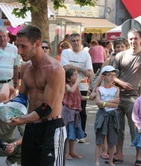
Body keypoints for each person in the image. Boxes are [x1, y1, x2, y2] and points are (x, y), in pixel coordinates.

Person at [5, 25, 66, 166]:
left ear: (37, 44)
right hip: (32, 127)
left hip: (51, 128)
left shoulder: (54, 69)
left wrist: (22, 120)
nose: (19, 51)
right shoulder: (26, 67)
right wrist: (7, 106)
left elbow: (46, 107)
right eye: (17, 46)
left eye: (23, 47)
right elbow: (22, 98)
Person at [107, 29, 141, 165]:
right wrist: (121, 83)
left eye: (135, 39)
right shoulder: (120, 56)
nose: (133, 41)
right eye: (131, 39)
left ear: (140, 40)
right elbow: (111, 75)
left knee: (136, 128)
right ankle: (119, 154)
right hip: (118, 96)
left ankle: (138, 157)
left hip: (135, 99)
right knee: (118, 128)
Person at [90, 37, 129, 159]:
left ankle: (117, 152)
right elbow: (100, 77)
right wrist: (93, 91)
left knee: (116, 127)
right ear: (113, 48)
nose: (120, 49)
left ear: (126, 47)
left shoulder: (127, 60)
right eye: (118, 47)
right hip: (106, 93)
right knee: (104, 124)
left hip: (120, 95)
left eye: (122, 46)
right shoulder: (109, 60)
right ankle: (104, 150)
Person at [61, 33, 94, 143]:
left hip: (82, 86)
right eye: (73, 41)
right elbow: (65, 66)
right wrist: (81, 69)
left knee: (81, 112)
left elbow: (89, 71)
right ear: (70, 42)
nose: (76, 43)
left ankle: (81, 134)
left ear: (81, 41)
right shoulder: (66, 52)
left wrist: (92, 86)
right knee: (67, 111)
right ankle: (67, 134)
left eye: (77, 40)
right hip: (67, 86)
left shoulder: (86, 55)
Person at [62, 68, 90, 160]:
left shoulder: (76, 86)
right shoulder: (67, 85)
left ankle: (71, 151)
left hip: (75, 112)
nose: (77, 77)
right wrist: (78, 82)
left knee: (72, 132)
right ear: (68, 78)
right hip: (67, 112)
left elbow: (80, 97)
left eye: (77, 75)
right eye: (74, 75)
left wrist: (90, 97)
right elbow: (71, 91)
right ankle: (64, 152)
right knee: (66, 133)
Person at [94, 65, 120, 166]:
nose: (111, 77)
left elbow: (117, 103)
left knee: (112, 140)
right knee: (99, 139)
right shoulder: (99, 89)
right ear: (103, 76)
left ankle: (110, 161)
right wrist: (110, 102)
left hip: (113, 115)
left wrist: (104, 102)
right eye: (109, 75)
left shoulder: (116, 89)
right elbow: (98, 103)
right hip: (102, 115)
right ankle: (97, 161)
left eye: (113, 75)